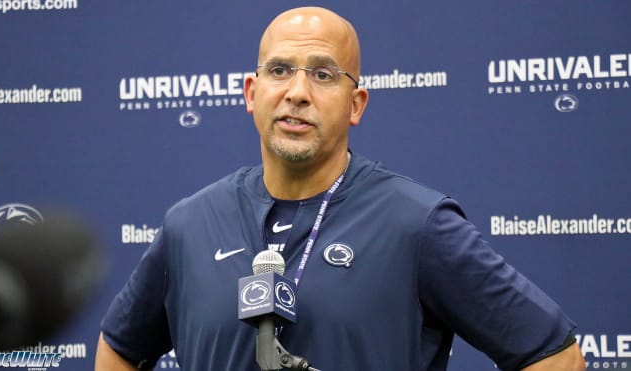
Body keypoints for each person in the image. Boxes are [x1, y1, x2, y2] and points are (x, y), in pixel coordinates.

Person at [96, 6, 585, 371]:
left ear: (356, 104)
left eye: (324, 74)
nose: (298, 92)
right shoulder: (189, 224)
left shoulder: (416, 223)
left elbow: (556, 356)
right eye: (280, 70)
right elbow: (118, 350)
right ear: (252, 93)